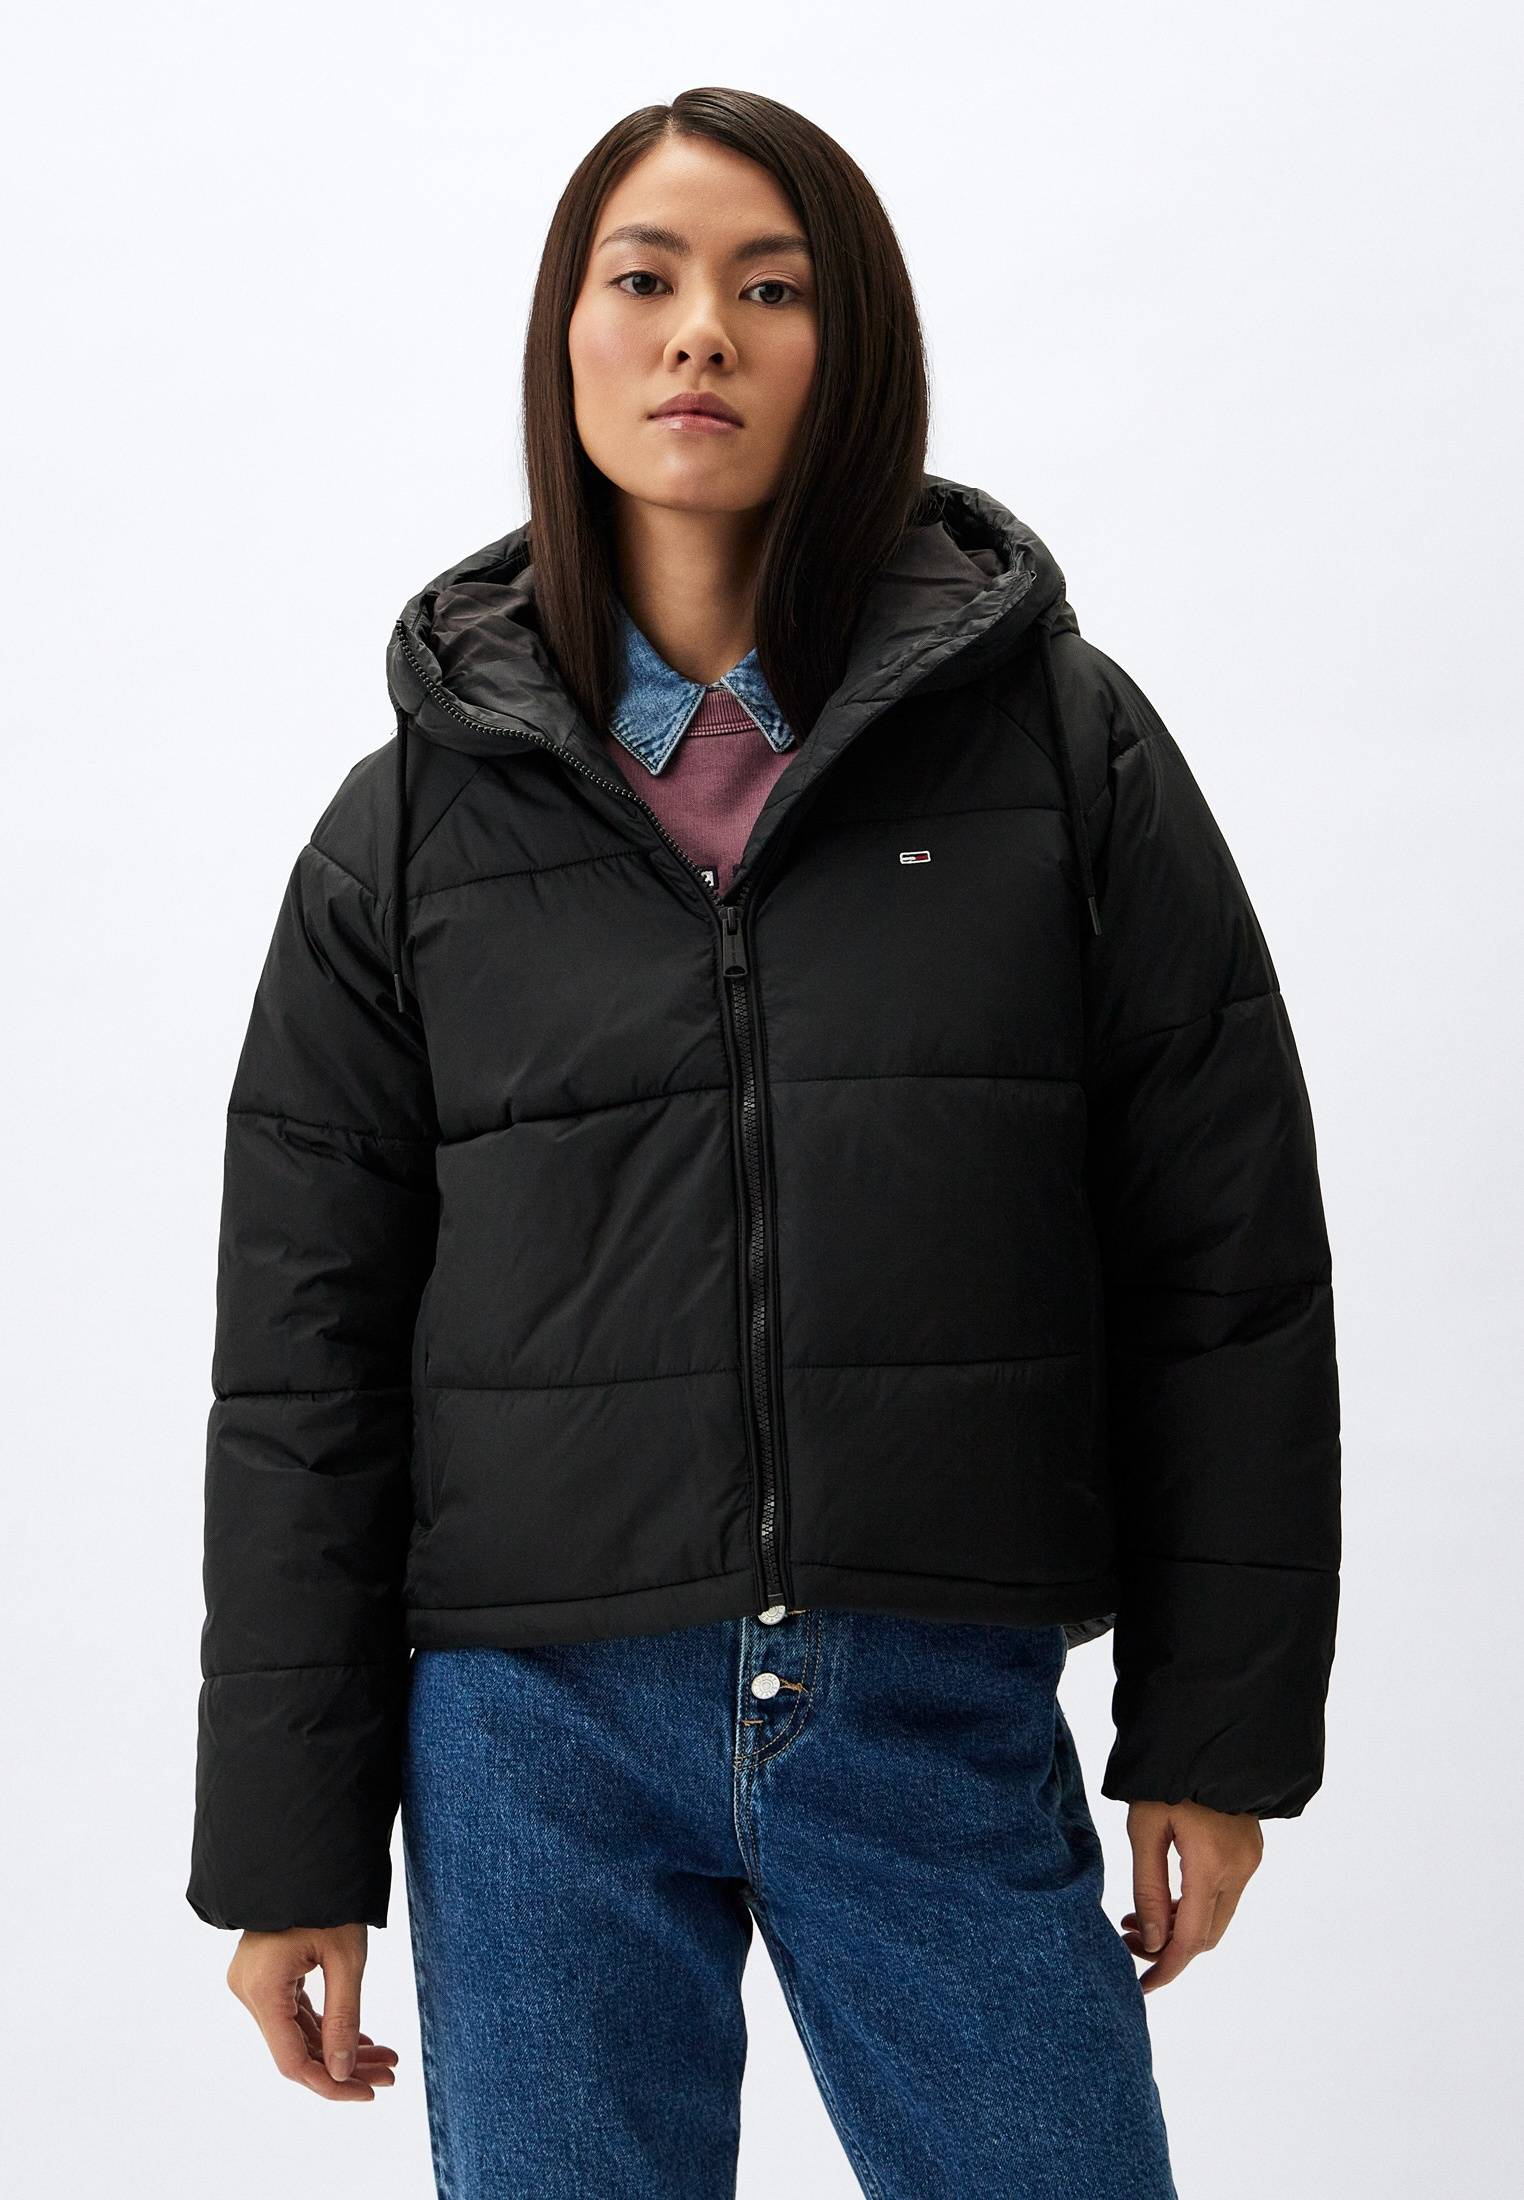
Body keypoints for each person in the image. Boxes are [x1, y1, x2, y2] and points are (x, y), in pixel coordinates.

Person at [188, 87, 1341, 2200]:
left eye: (770, 285)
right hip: (529, 1737)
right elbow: (302, 1363)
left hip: (930, 1688)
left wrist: (1215, 1727)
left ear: (852, 345)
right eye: (644, 277)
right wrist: (288, 1847)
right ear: (569, 337)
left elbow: (1227, 1261)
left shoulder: (1064, 753)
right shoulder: (410, 831)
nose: (700, 329)